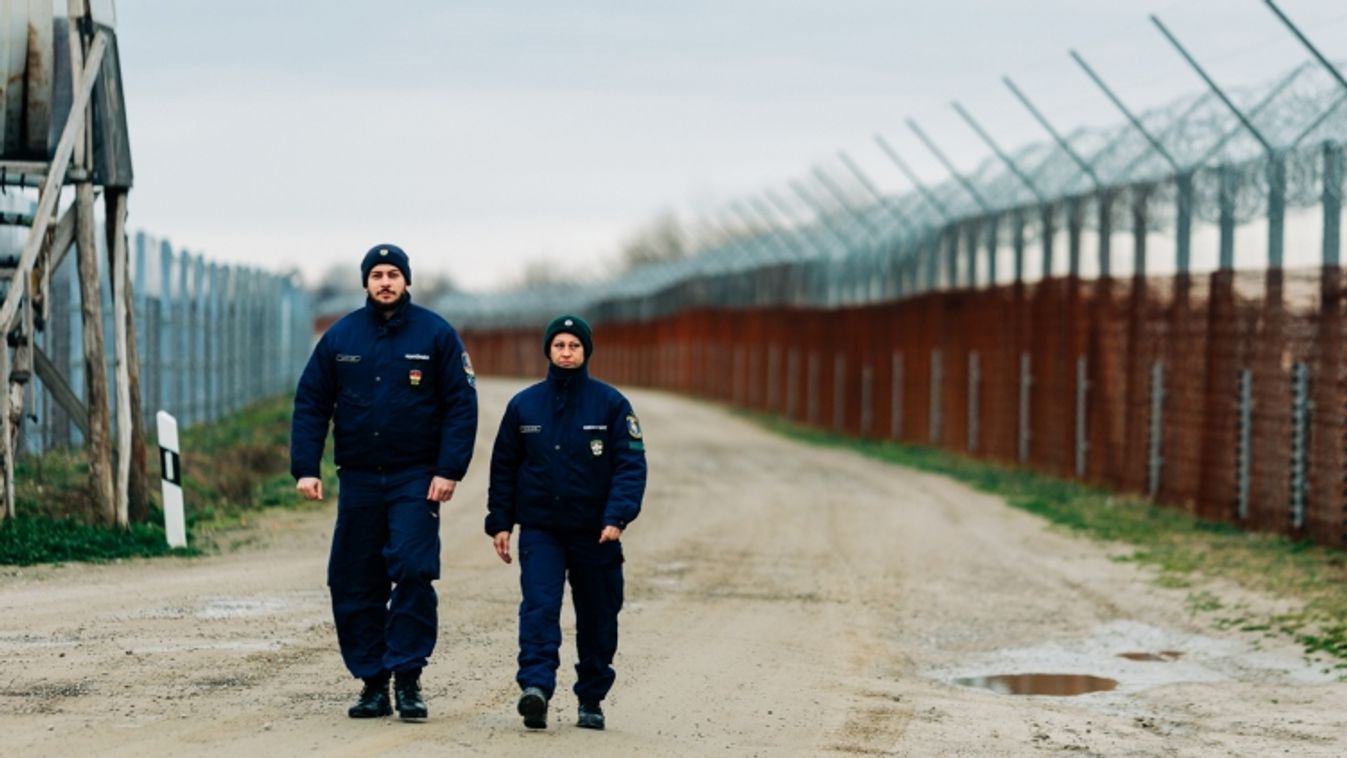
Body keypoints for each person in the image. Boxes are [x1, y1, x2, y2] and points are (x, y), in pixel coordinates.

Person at [290, 243, 478, 721]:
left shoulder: (436, 334)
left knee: (414, 568)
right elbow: (312, 402)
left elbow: (461, 405)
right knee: (354, 578)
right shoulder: (341, 336)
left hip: (416, 477)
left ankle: (409, 677)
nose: (386, 282)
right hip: (358, 478)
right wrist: (306, 467)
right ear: (366, 283)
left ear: (407, 281)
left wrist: (448, 469)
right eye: (377, 274)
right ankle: (373, 682)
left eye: (394, 273)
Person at [486, 314, 647, 731]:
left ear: (586, 351)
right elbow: (504, 467)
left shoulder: (611, 405)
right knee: (539, 608)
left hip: (597, 531)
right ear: (548, 351)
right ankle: (535, 688)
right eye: (559, 345)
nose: (566, 352)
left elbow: (630, 466)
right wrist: (500, 522)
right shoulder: (524, 405)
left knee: (598, 615)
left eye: (574, 346)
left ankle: (591, 697)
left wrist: (617, 517)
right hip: (541, 529)